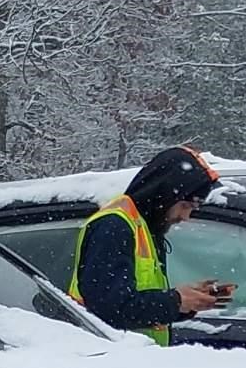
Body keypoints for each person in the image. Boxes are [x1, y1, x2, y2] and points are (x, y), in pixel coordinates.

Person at [67, 146, 233, 345]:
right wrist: (175, 301)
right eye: (185, 206)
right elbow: (109, 309)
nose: (186, 217)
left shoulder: (144, 227)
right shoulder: (114, 227)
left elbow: (133, 304)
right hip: (109, 361)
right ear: (163, 194)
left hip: (133, 361)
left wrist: (185, 301)